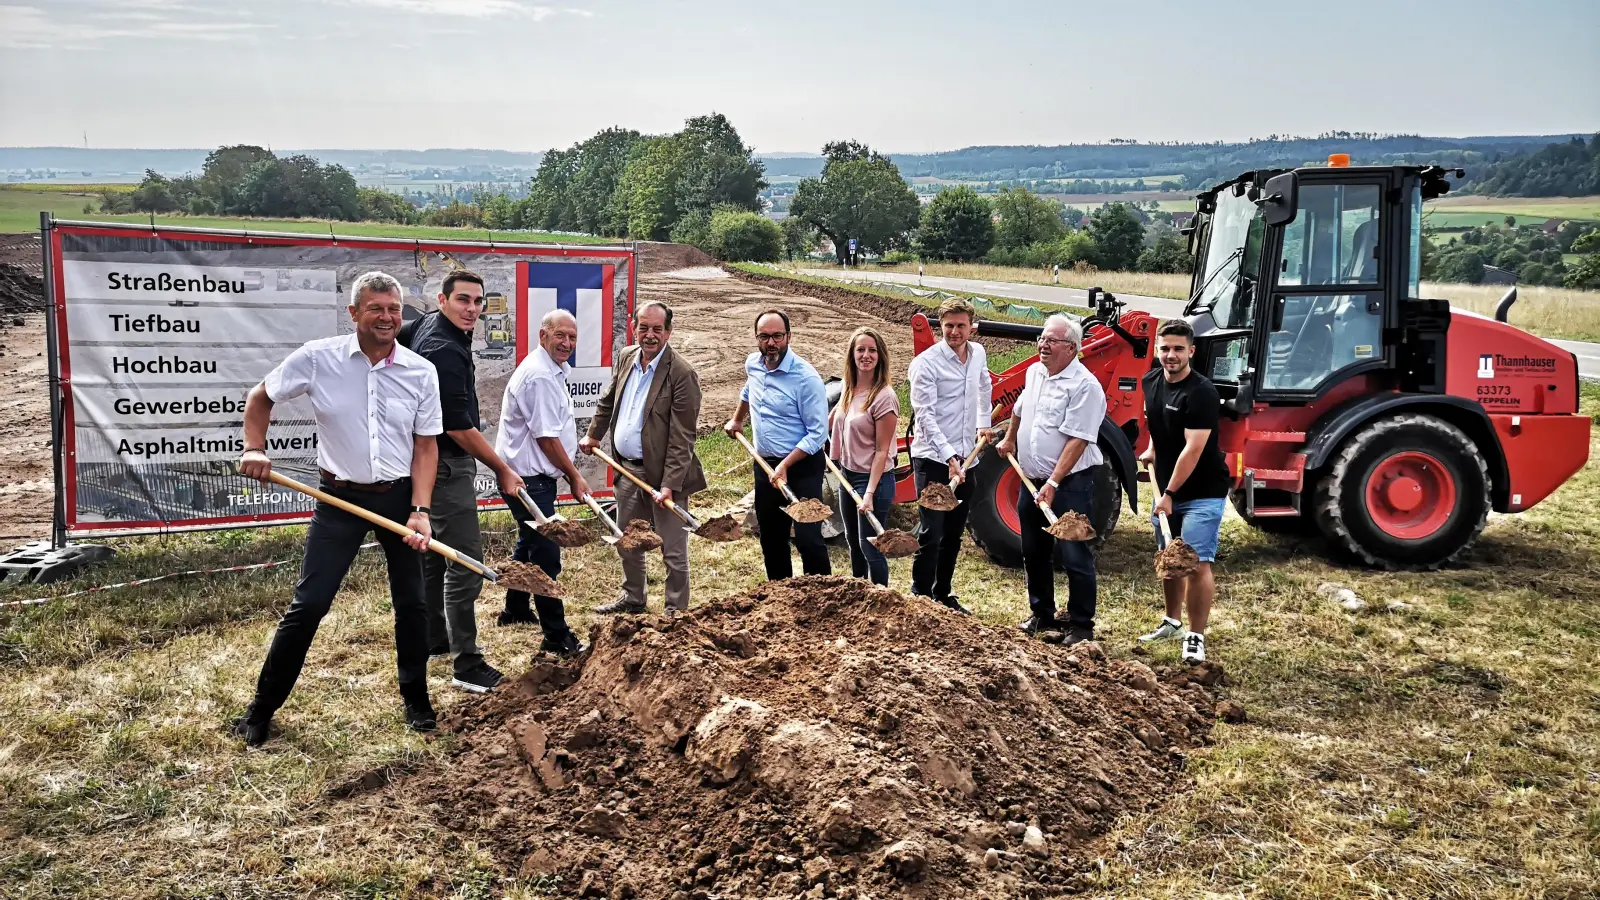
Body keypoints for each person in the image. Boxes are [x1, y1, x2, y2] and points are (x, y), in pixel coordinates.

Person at [230, 271, 442, 747]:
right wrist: (255, 447)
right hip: (339, 500)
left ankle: (416, 700)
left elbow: (426, 446)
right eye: (376, 308)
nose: (386, 317)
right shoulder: (317, 357)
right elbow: (260, 396)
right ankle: (260, 710)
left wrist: (421, 509)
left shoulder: (419, 371)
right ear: (353, 313)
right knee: (309, 604)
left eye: (393, 309)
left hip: (399, 500)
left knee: (413, 603)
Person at [398, 269, 522, 694]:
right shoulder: (445, 349)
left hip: (425, 462)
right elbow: (457, 426)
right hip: (447, 466)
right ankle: (467, 663)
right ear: (443, 299)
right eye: (463, 300)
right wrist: (501, 468)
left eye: (478, 302)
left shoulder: (425, 325)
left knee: (434, 556)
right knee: (466, 564)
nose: (472, 309)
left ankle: (435, 638)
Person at [579, 300, 706, 614]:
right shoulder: (626, 357)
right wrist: (594, 434)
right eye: (644, 327)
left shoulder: (681, 373)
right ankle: (634, 598)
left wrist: (669, 484)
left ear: (668, 332)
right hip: (628, 472)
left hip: (664, 478)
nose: (650, 335)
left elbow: (682, 437)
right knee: (628, 540)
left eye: (657, 329)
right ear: (633, 328)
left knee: (672, 550)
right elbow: (608, 400)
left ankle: (675, 611)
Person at [996, 314, 1105, 645]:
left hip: (1070, 484)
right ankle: (1041, 613)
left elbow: (1079, 439)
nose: (1043, 345)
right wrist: (1010, 438)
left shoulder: (1085, 386)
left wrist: (1054, 483)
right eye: (1041, 339)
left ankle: (1081, 625)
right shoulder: (1035, 373)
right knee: (1033, 550)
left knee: (1074, 553)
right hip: (1031, 479)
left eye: (1051, 341)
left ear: (1071, 348)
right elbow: (1019, 409)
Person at [494, 309, 587, 657]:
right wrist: (574, 476)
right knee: (547, 555)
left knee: (529, 542)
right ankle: (556, 635)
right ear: (542, 335)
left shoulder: (551, 370)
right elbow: (546, 438)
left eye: (572, 337)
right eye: (560, 335)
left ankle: (515, 609)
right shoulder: (540, 376)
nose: (567, 343)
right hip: (528, 481)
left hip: (529, 477)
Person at [1138, 319, 1229, 664]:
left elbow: (1193, 449)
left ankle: (1195, 636)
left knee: (1194, 562)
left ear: (1191, 351)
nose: (1171, 355)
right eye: (1165, 348)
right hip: (1167, 489)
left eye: (1178, 348)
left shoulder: (1201, 392)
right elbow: (1156, 419)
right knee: (1169, 557)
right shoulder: (1150, 380)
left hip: (1201, 491)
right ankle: (1172, 622)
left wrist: (1169, 494)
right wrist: (1153, 448)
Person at [723, 309, 831, 580]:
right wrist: (737, 419)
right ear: (756, 338)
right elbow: (749, 389)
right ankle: (780, 594)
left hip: (802, 466)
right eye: (764, 336)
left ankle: (822, 594)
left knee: (808, 538)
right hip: (765, 465)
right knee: (771, 536)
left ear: (789, 337)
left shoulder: (806, 379)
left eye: (777, 336)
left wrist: (785, 465)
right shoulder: (753, 364)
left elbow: (818, 434)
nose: (771, 343)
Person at [908, 297, 991, 613]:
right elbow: (925, 417)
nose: (955, 332)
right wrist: (949, 457)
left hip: (968, 457)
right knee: (932, 532)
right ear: (940, 327)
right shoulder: (926, 364)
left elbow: (984, 386)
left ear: (972, 327)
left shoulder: (978, 353)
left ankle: (942, 594)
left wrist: (984, 423)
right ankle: (920, 597)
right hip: (933, 459)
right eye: (948, 326)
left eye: (961, 326)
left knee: (954, 532)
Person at [829, 327, 899, 586]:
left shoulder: (884, 397)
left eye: (872, 350)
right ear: (852, 354)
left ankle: (881, 597)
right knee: (853, 541)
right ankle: (859, 592)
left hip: (873, 481)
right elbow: (832, 421)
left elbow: (882, 450)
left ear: (880, 356)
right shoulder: (849, 388)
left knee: (871, 547)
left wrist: (869, 493)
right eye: (860, 350)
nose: (866, 355)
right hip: (847, 475)